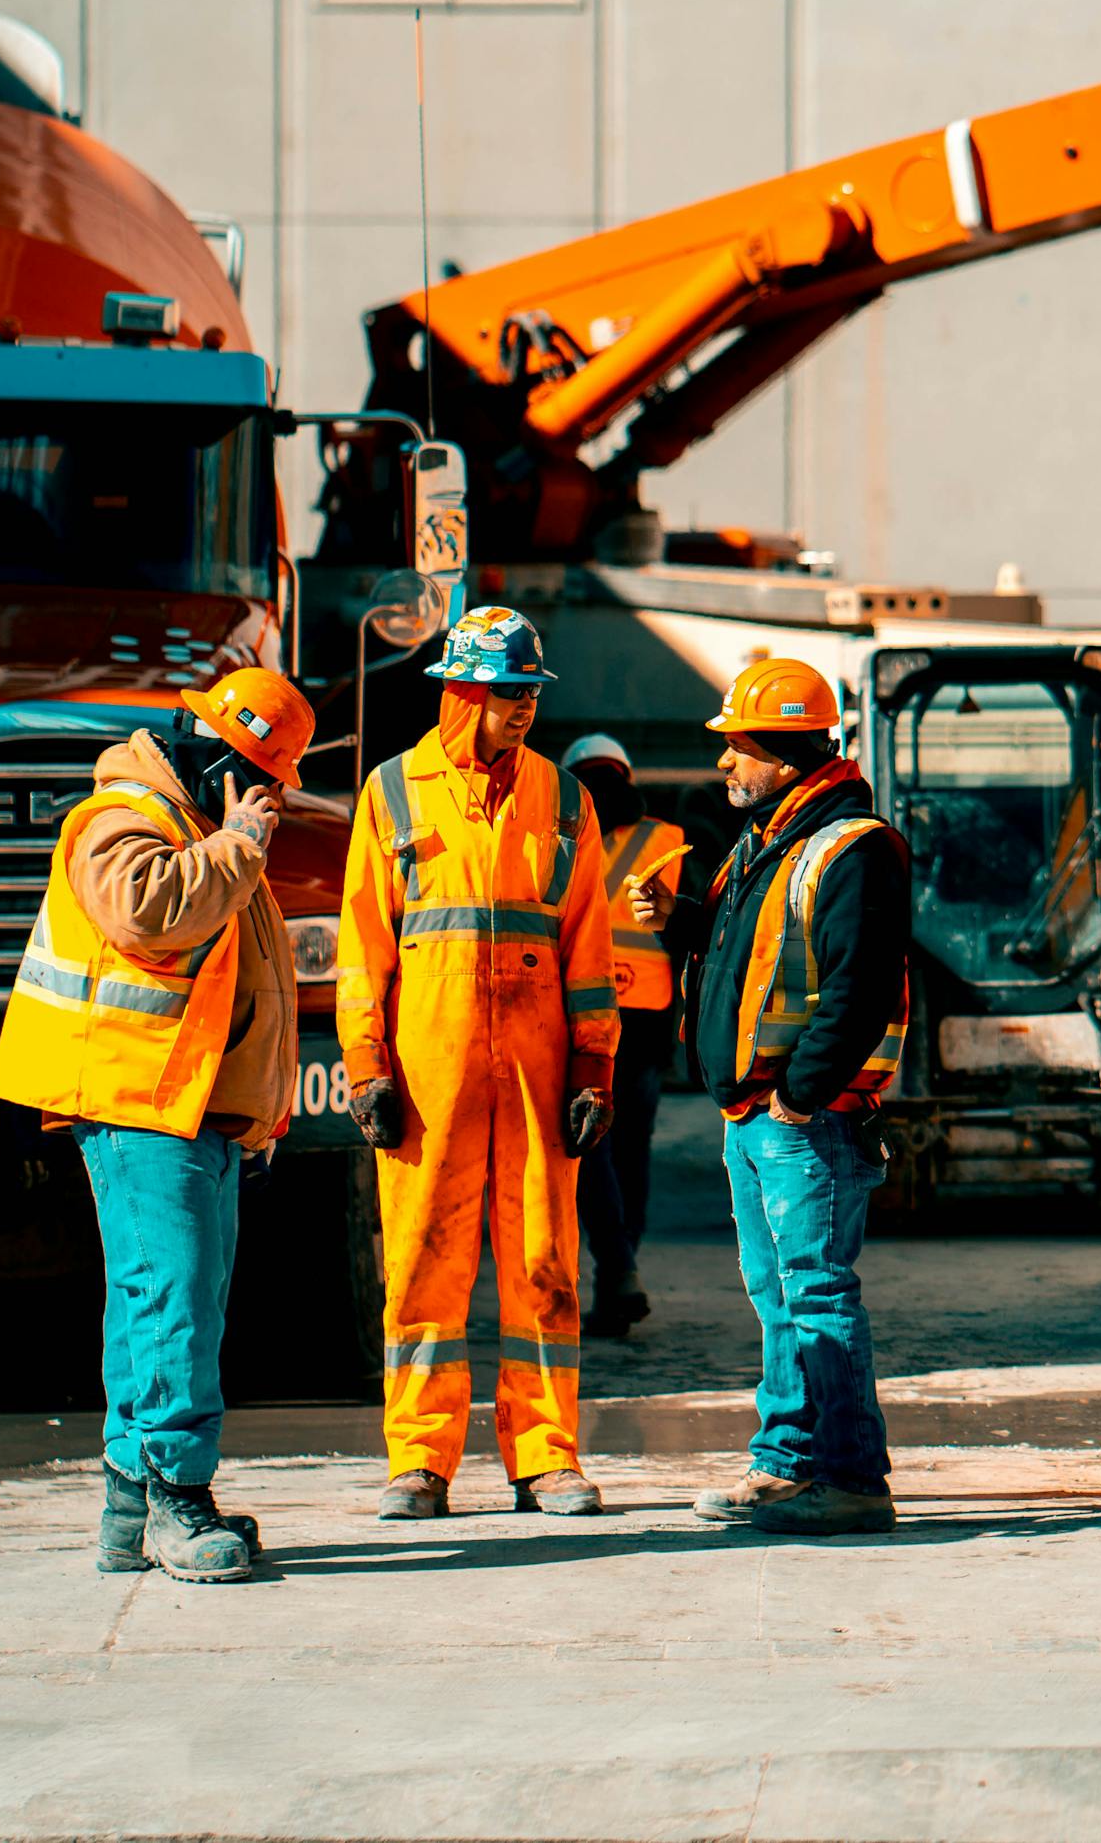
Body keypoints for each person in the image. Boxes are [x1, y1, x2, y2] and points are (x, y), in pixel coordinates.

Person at [0, 667, 315, 1585]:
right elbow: (148, 912)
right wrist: (242, 843)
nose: (269, 800)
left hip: (196, 1112)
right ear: (217, 758)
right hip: (140, 1107)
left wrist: (258, 1113)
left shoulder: (209, 833)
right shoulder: (121, 818)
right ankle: (177, 1498)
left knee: (167, 1305)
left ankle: (130, 1511)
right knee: (170, 1303)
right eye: (261, 780)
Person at [337, 605, 619, 1521]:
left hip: (537, 1081)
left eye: (531, 693)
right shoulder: (392, 793)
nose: (523, 710)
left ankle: (547, 1459)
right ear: (459, 695)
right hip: (429, 1080)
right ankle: (419, 1462)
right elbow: (362, 950)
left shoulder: (566, 801)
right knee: (423, 1268)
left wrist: (594, 1071)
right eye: (507, 693)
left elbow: (588, 951)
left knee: (544, 1265)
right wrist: (364, 1067)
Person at [626, 657, 910, 1537]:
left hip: (802, 1121)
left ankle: (853, 1478)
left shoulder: (853, 845)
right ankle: (787, 1461)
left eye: (738, 748)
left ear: (785, 755)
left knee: (817, 1294)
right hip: (756, 1114)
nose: (725, 765)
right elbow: (758, 947)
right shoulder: (774, 837)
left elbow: (859, 991)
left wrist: (799, 1095)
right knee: (780, 1295)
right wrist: (681, 923)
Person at [560, 733, 683, 1339]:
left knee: (592, 1148)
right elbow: (692, 929)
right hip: (649, 1016)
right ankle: (622, 1270)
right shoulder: (668, 838)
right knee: (633, 1145)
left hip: (580, 1014)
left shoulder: (557, 831)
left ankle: (617, 1266)